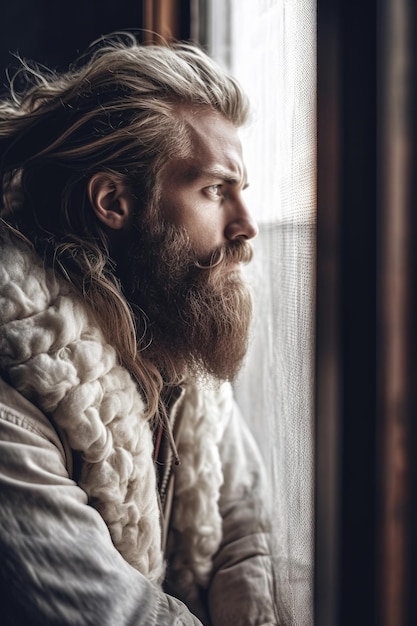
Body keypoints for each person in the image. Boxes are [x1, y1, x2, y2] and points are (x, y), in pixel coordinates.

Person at [0, 32, 277, 625]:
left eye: (241, 193)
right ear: (114, 201)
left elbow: (245, 544)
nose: (247, 225)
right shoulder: (11, 403)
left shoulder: (178, 349)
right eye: (213, 190)